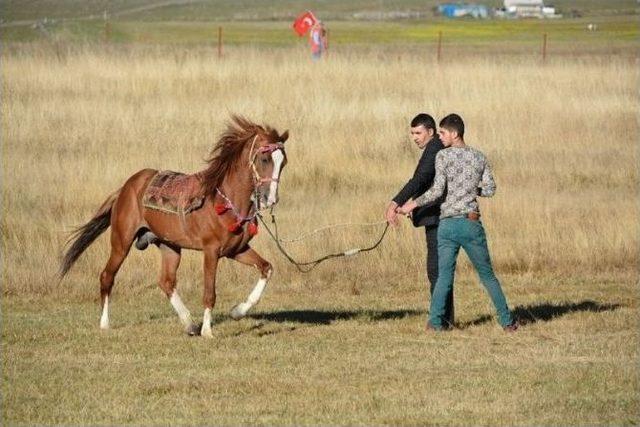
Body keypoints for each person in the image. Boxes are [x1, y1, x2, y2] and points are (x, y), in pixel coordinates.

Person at [397, 114, 518, 332]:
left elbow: (436, 191)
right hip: (471, 224)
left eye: (442, 133)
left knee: (443, 276)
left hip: (447, 226)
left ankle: (434, 323)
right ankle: (507, 322)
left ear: (454, 134)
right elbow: (490, 189)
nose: (439, 137)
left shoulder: (442, 157)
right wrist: (473, 189)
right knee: (488, 276)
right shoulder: (479, 157)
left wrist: (410, 205)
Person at [385, 113, 454, 327]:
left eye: (418, 132)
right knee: (439, 269)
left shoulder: (434, 148)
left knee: (436, 269)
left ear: (430, 132)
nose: (414, 137)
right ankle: (444, 319)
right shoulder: (435, 148)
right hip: (435, 215)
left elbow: (421, 178)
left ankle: (441, 320)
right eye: (412, 133)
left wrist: (396, 202)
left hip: (439, 217)